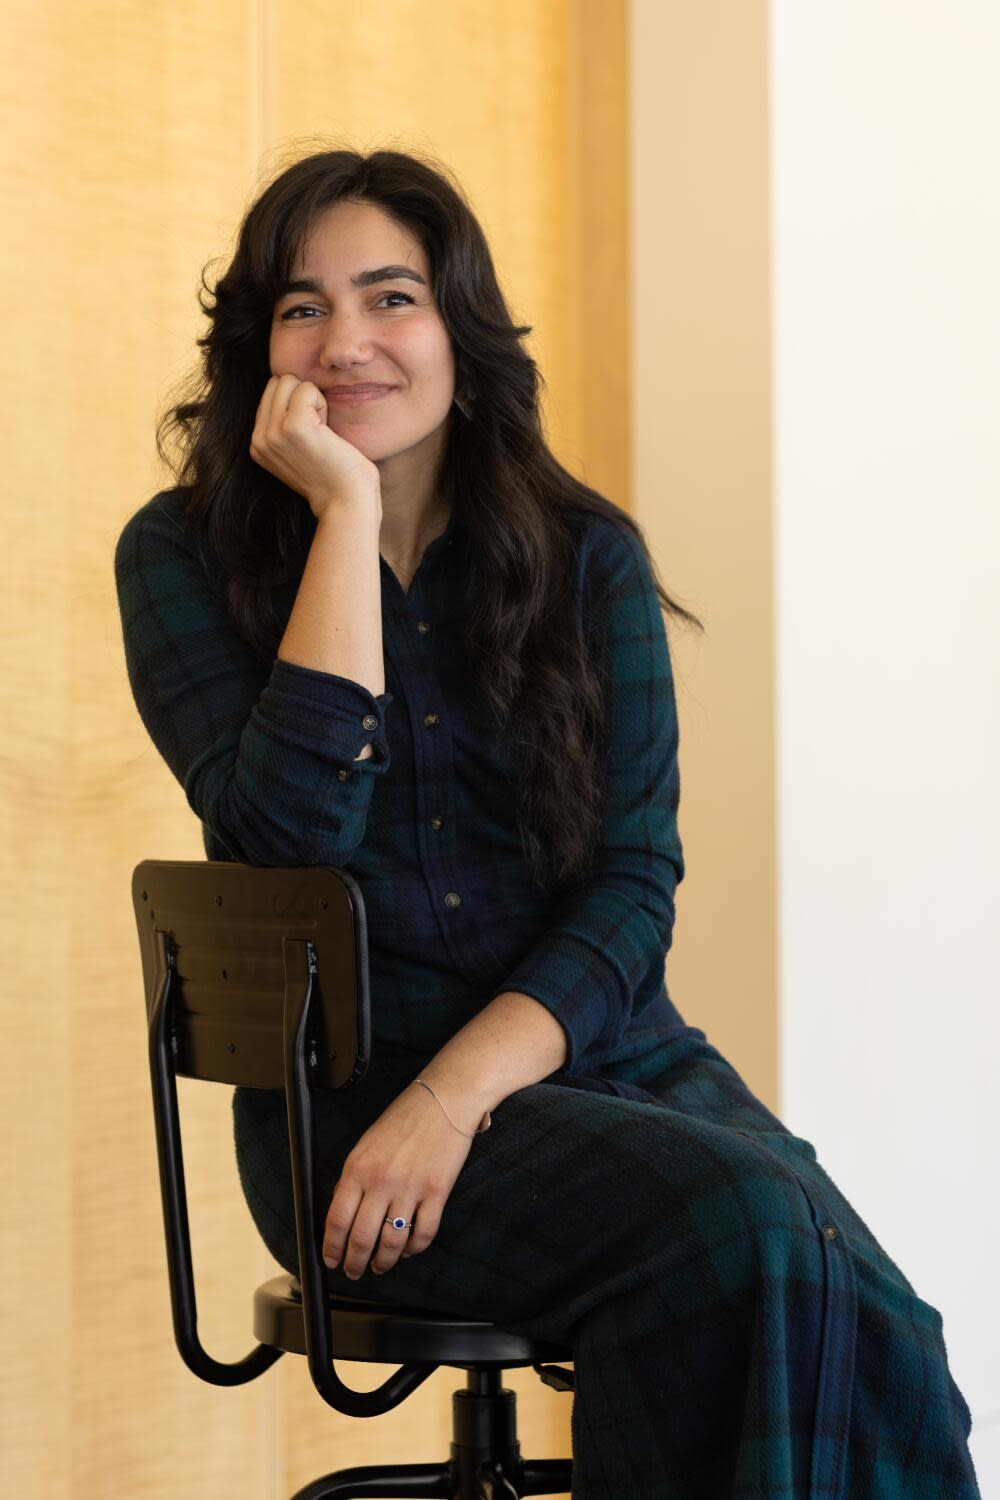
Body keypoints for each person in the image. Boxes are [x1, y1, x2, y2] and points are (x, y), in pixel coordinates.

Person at [114, 146, 981, 1499]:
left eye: (390, 296)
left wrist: (458, 1102)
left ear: (459, 326)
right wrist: (343, 515)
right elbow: (284, 844)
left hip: (603, 1067)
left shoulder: (586, 558)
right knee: (742, 1231)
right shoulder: (178, 556)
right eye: (302, 307)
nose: (348, 340)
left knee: (876, 1321)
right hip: (350, 1115)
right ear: (258, 349)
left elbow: (634, 885)